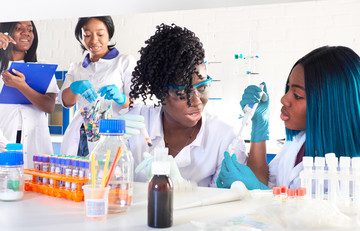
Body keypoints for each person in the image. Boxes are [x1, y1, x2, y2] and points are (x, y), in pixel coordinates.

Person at [217, 46, 360, 190]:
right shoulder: (297, 143)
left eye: (297, 95)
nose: (284, 99)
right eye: (288, 88)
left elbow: (316, 212)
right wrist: (259, 127)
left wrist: (257, 190)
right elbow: (263, 182)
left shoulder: (350, 167)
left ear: (332, 103)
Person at [125, 23, 250, 187]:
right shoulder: (134, 126)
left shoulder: (225, 138)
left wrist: (181, 186)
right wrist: (109, 141)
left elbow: (225, 207)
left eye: (202, 87)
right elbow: (103, 188)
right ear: (159, 92)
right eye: (181, 92)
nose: (197, 101)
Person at [59, 16, 136, 156]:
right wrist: (74, 88)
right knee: (78, 176)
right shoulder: (76, 67)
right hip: (81, 135)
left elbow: (136, 104)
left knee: (108, 175)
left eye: (100, 34)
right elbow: (66, 102)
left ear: (109, 34)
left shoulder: (124, 61)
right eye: (87, 35)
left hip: (112, 135)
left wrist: (121, 98)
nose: (94, 40)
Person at [0, 21, 59, 168]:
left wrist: (22, 86)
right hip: (5, 139)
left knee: (35, 186)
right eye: (19, 28)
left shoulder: (42, 68)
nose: (26, 33)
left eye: (30, 30)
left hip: (36, 143)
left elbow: (49, 106)